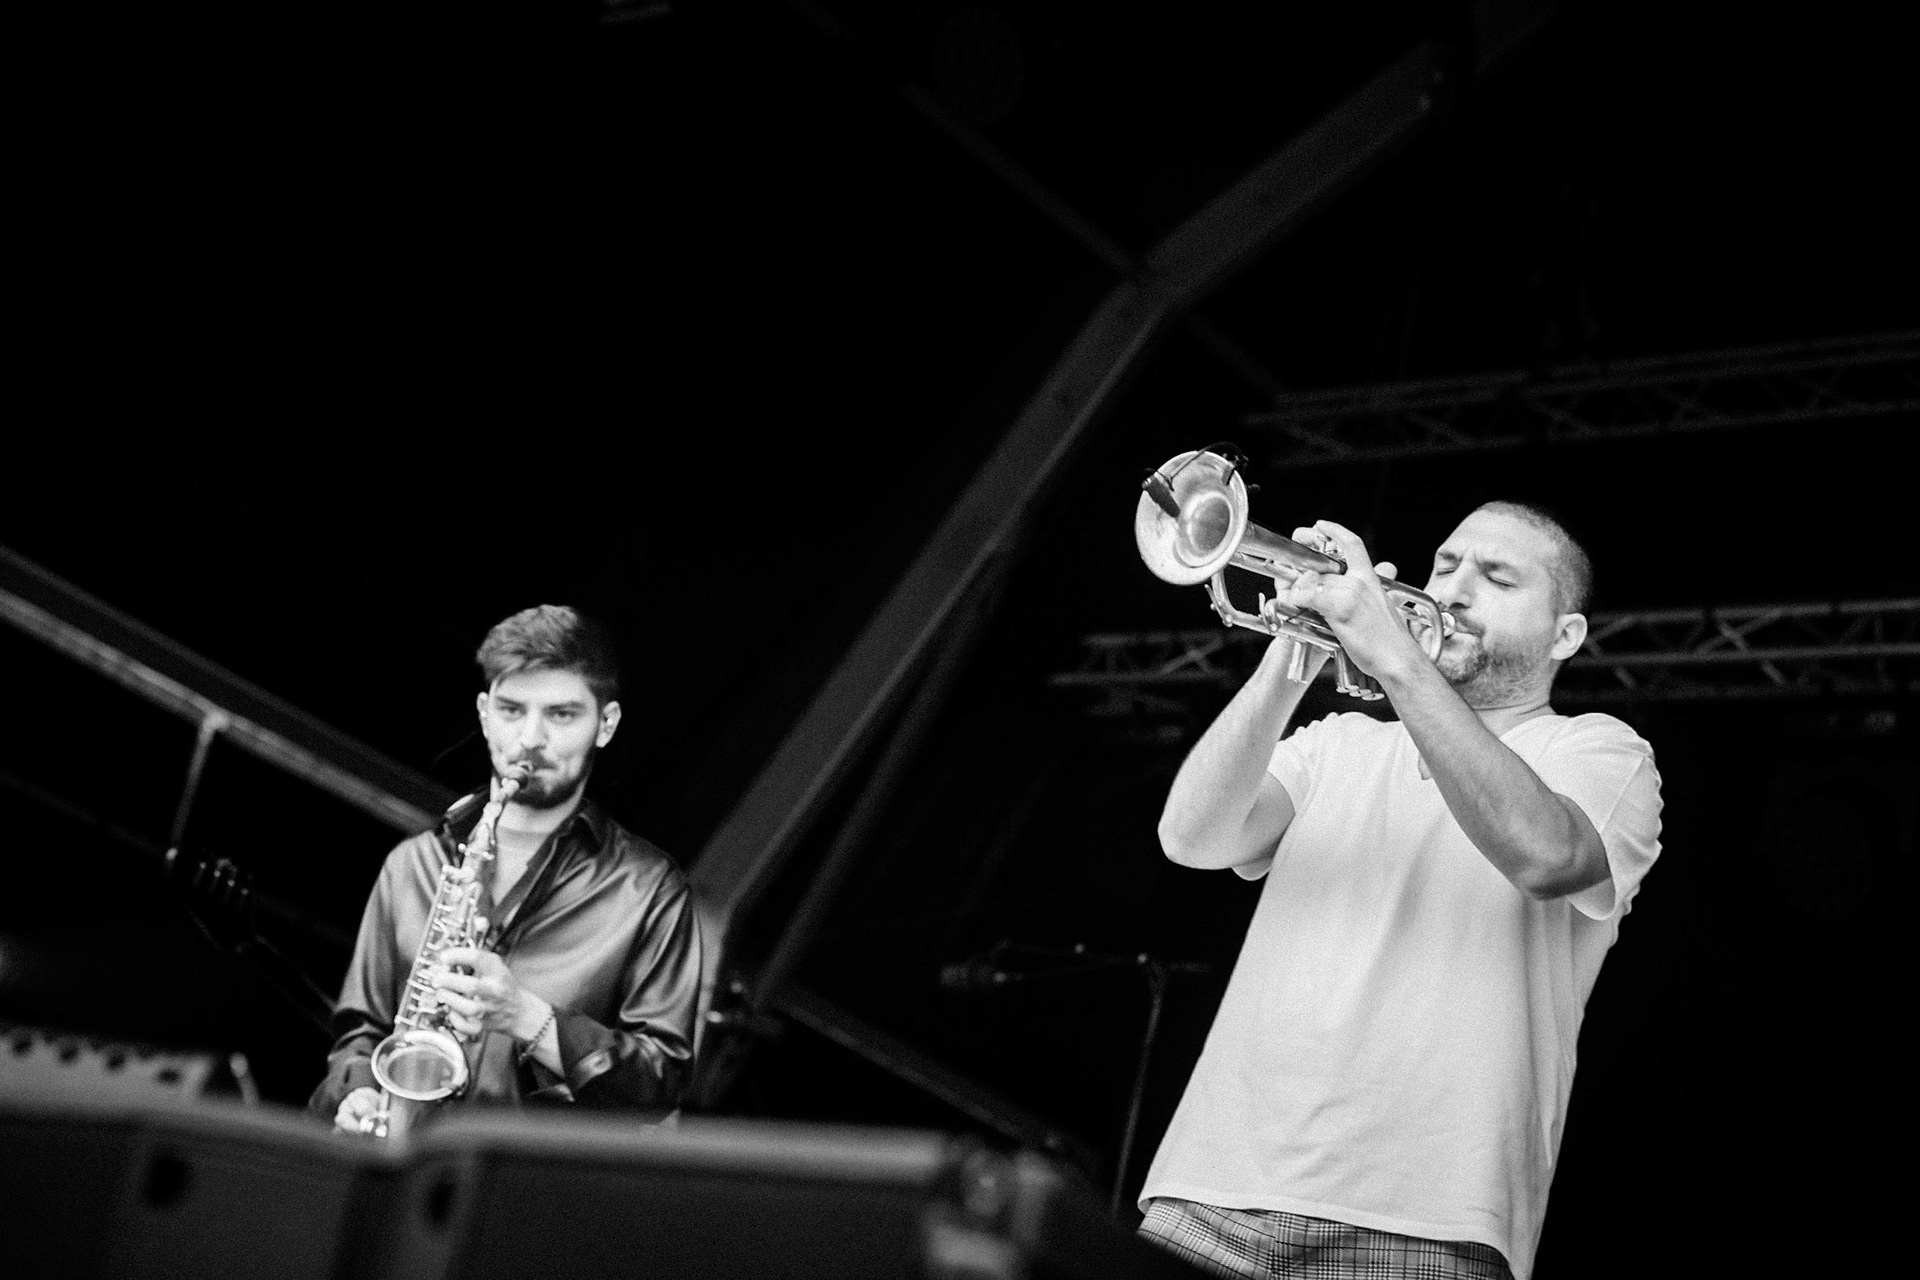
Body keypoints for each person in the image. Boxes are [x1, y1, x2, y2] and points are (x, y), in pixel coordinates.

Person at [1136, 504, 1662, 1280]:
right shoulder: (1339, 743)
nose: (1455, 587)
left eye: (1498, 576)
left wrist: (1394, 661)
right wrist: (1293, 653)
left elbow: (1548, 857)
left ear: (1565, 636)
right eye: (1446, 565)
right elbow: (1192, 839)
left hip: (1423, 1221)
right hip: (1210, 1188)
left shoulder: (1599, 751)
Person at [311, 604, 701, 1133]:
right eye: (512, 710)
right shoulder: (412, 864)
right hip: (402, 1169)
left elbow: (660, 1083)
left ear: (605, 725)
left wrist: (527, 1017)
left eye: (560, 714)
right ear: (483, 712)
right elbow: (360, 1034)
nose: (530, 739)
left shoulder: (649, 888)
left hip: (540, 1194)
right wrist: (354, 1093)